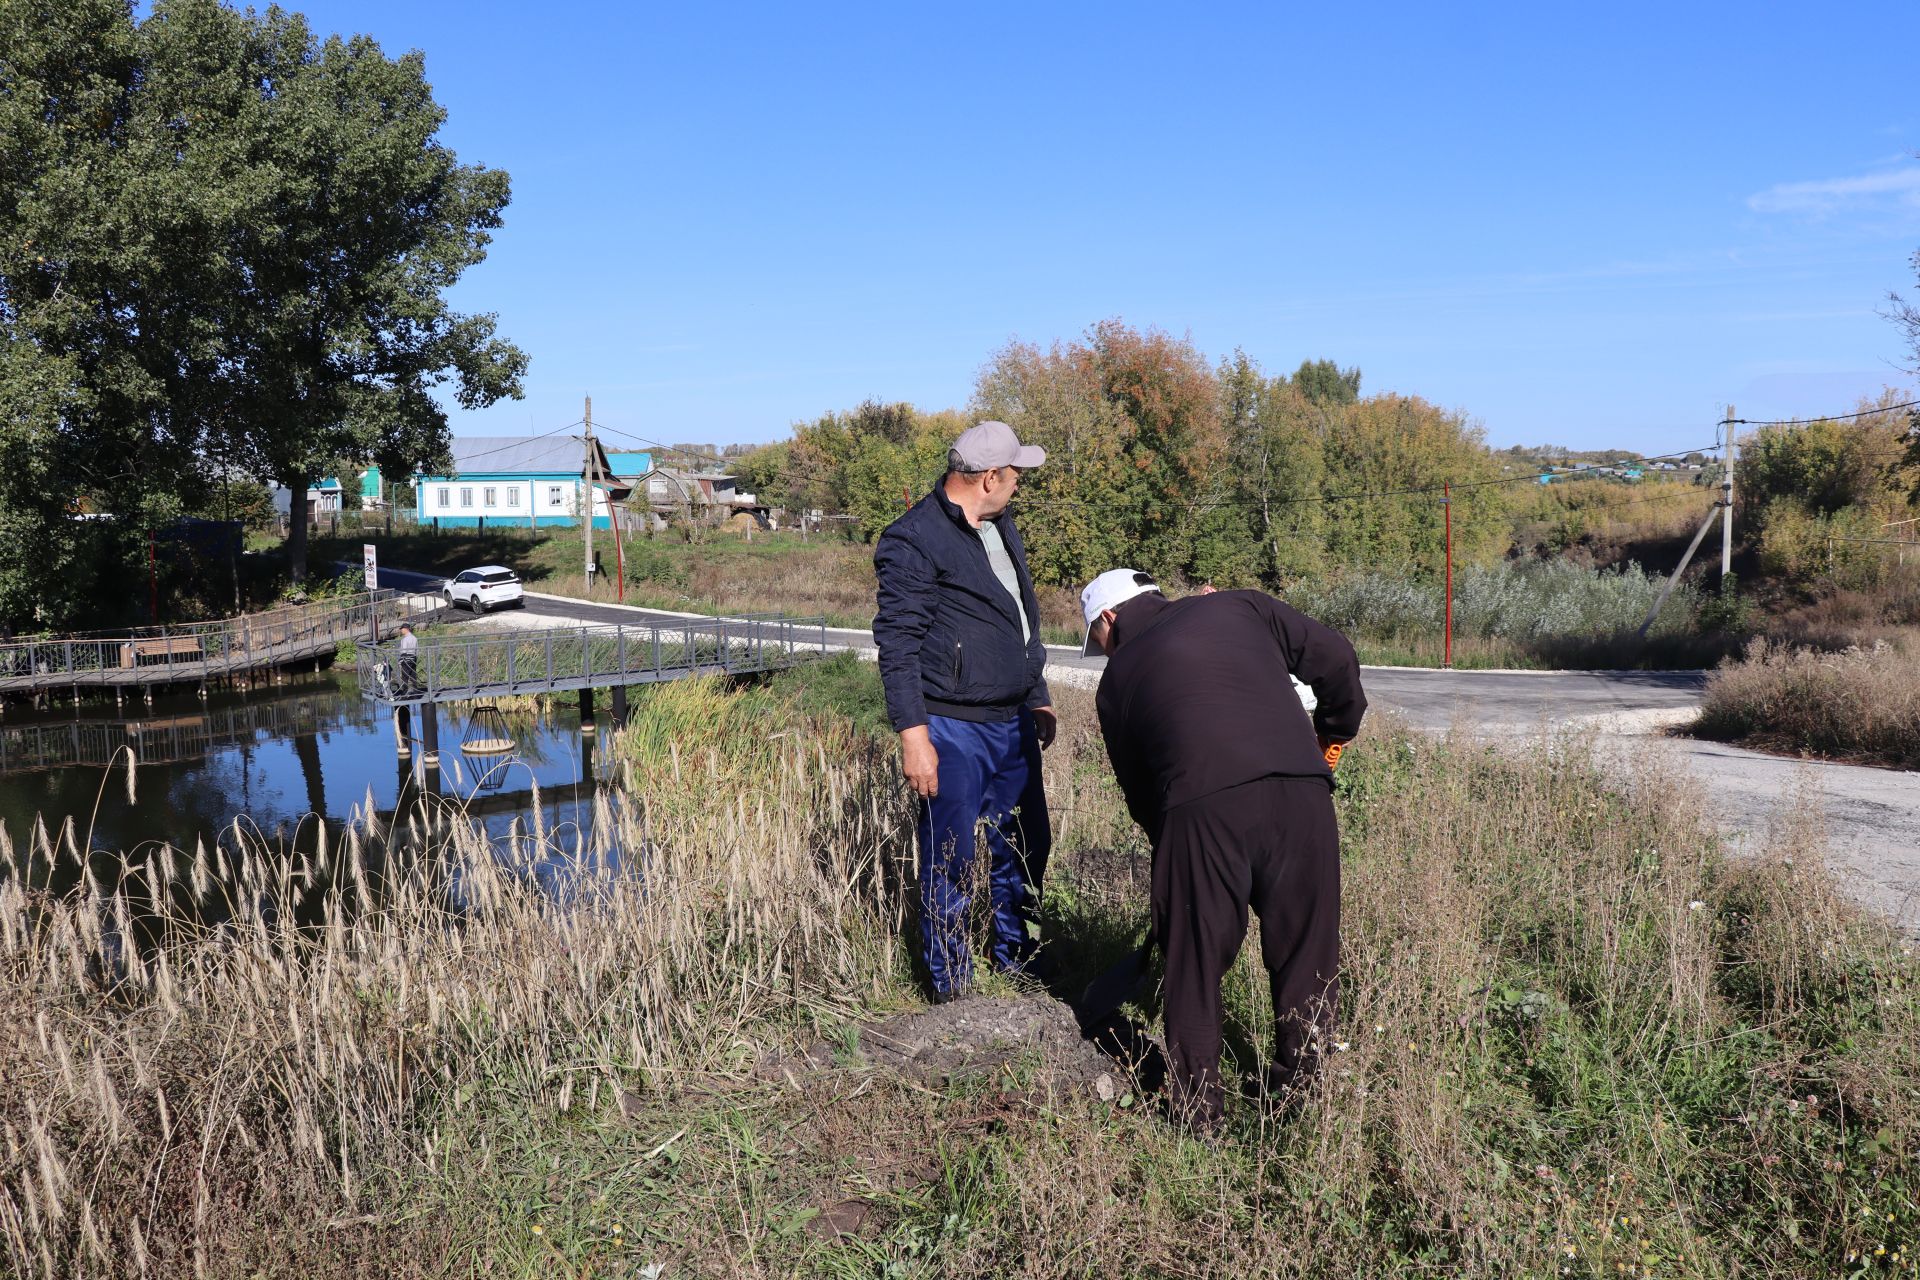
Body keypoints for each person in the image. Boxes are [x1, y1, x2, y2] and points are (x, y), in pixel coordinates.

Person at [1082, 568, 1366, 1126]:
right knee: (1307, 953)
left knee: (1194, 963)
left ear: (1108, 619)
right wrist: (1334, 732)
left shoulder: (1115, 686)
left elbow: (1142, 795)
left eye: (1096, 639)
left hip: (1198, 812)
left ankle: (1200, 1117)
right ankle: (1303, 1104)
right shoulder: (1242, 607)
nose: (1102, 651)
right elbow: (1336, 658)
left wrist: (1178, 871)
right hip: (1302, 793)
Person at [873, 420, 1057, 1002]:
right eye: (1016, 476)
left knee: (1027, 847)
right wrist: (914, 736)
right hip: (952, 728)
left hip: (1013, 724)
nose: (1019, 486)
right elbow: (898, 643)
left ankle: (1018, 964)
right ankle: (951, 987)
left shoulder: (1002, 527)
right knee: (950, 856)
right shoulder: (914, 539)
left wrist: (1037, 692)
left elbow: (1017, 619)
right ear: (989, 477)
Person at [397, 622, 419, 695]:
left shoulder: (404, 639)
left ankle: (404, 692)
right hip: (413, 658)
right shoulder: (415, 638)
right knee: (413, 675)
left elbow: (403, 651)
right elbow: (417, 650)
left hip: (406, 659)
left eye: (402, 629)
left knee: (405, 676)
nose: (401, 630)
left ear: (406, 629)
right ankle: (416, 690)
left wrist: (400, 661)